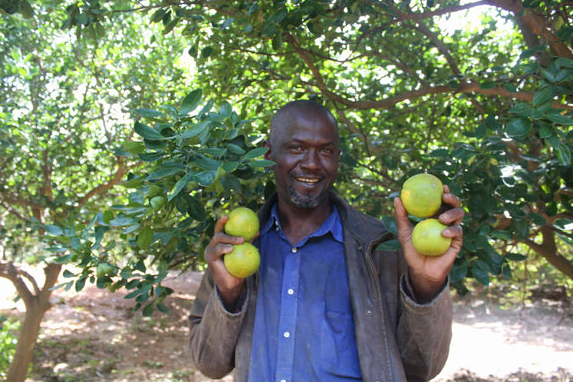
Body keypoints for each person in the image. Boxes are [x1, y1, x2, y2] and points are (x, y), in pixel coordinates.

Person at [189, 100, 465, 382]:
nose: (311, 163)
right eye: (297, 148)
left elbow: (421, 368)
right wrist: (228, 294)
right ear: (269, 153)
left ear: (337, 159)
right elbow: (210, 364)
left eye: (326, 151)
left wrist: (426, 285)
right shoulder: (236, 247)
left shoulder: (379, 247)